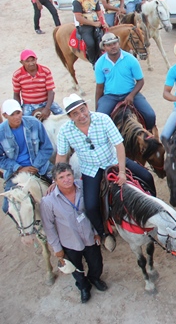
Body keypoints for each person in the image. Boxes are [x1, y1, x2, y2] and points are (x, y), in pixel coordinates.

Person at [56, 93, 156, 251]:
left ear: (87, 107)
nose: (81, 115)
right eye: (75, 113)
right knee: (90, 206)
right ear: (70, 116)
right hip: (91, 169)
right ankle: (103, 234)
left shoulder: (103, 119)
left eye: (83, 110)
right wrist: (57, 179)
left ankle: (153, 209)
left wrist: (122, 172)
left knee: (147, 176)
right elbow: (61, 156)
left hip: (113, 160)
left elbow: (119, 146)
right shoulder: (65, 131)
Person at [40, 163, 107, 304]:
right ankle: (83, 287)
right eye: (61, 177)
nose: (66, 179)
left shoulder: (84, 187)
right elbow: (49, 227)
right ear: (55, 180)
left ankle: (94, 278)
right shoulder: (48, 201)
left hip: (90, 236)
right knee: (77, 269)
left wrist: (96, 231)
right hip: (70, 241)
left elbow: (95, 210)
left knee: (97, 263)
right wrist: (57, 249)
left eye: (69, 175)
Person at [95, 33, 156, 132]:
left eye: (114, 43)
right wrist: (97, 107)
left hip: (130, 93)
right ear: (104, 47)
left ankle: (149, 136)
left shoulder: (131, 59)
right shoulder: (100, 64)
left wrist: (131, 95)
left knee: (150, 115)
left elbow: (140, 81)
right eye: (109, 45)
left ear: (118, 43)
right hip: (110, 96)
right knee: (99, 120)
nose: (113, 47)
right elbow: (100, 87)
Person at [0, 99, 53, 213]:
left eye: (18, 113)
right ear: (5, 115)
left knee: (63, 188)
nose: (16, 117)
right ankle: (24, 229)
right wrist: (18, 168)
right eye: (12, 114)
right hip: (16, 172)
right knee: (6, 208)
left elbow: (47, 147)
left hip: (40, 166)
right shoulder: (1, 132)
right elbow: (1, 158)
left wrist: (35, 166)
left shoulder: (34, 123)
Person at [12, 49, 63, 120]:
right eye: (27, 61)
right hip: (28, 105)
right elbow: (16, 94)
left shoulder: (45, 71)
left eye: (33, 60)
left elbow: (51, 92)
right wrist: (19, 109)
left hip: (46, 102)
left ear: (36, 59)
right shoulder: (17, 75)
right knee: (26, 123)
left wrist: (47, 108)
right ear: (22, 62)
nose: (31, 63)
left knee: (63, 116)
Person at [73, 0, 108, 66]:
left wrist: (104, 22)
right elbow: (78, 18)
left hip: (97, 22)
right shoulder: (77, 1)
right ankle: (94, 62)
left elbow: (99, 12)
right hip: (85, 26)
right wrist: (94, 24)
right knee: (90, 43)